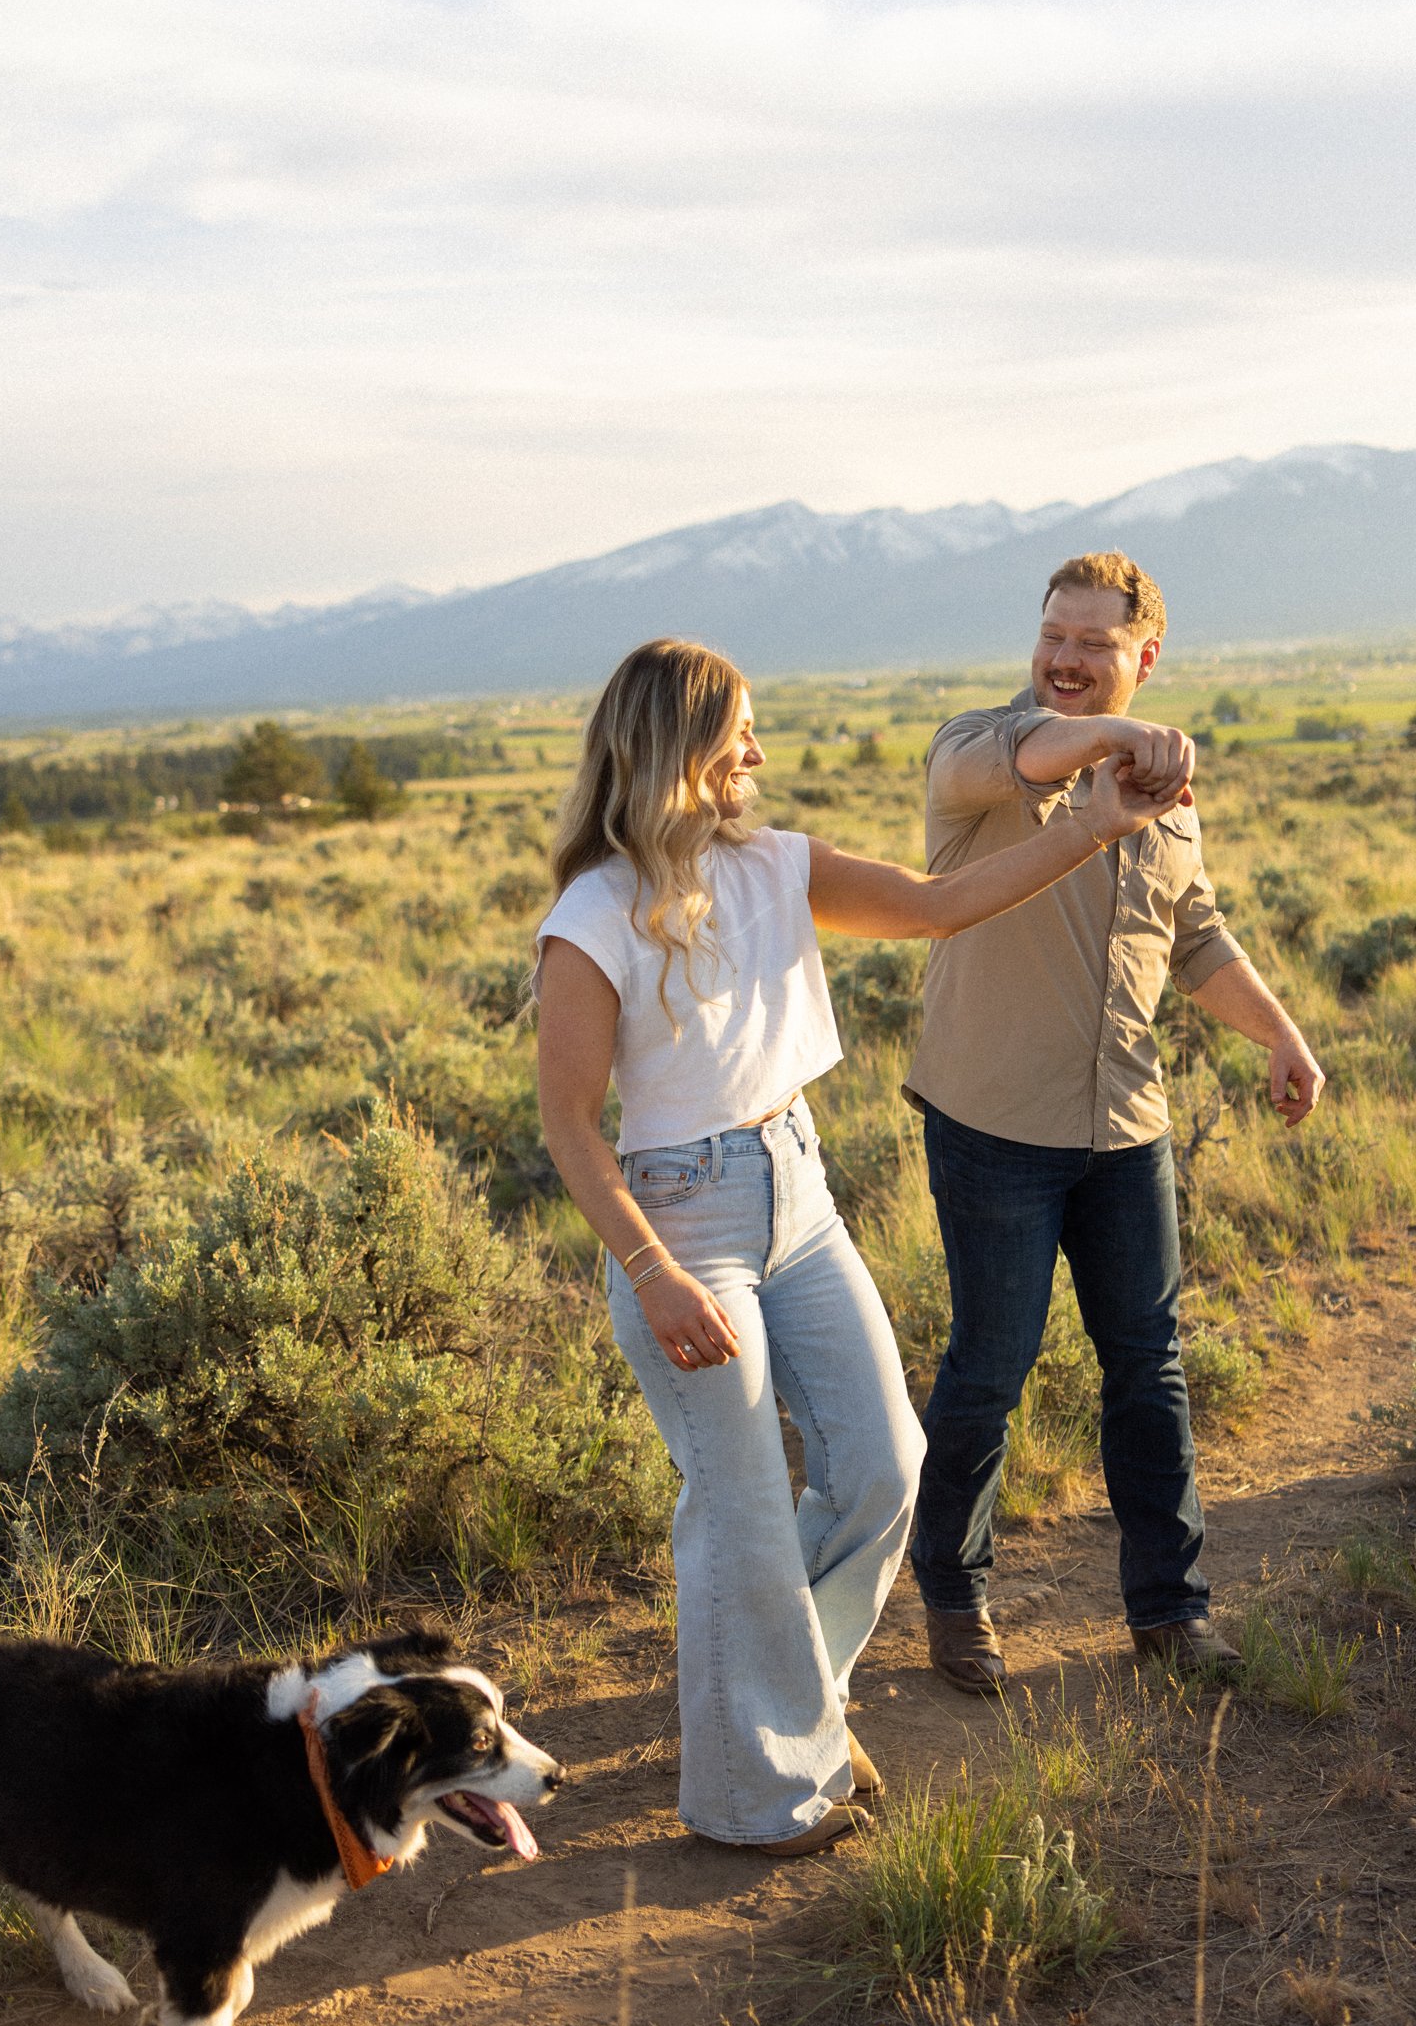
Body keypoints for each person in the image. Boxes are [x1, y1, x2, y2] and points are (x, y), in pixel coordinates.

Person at [534, 637, 1191, 1857]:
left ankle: (793, 1709)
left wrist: (1094, 826)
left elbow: (942, 905)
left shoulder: (778, 865)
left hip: (799, 1192)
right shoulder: (593, 914)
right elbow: (567, 1124)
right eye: (739, 730)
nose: (758, 751)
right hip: (683, 1220)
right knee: (740, 1510)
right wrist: (653, 1272)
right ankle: (754, 1802)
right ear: (682, 747)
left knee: (886, 1464)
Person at [906, 551, 1327, 1694]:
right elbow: (1042, 748)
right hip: (994, 1122)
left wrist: (1280, 1032)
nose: (1066, 658)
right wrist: (1123, 739)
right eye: (1054, 634)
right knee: (991, 1368)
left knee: (1150, 1366)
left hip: (1127, 1125)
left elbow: (1193, 937)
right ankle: (953, 1591)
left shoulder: (1167, 798)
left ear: (1146, 654)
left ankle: (1170, 1612)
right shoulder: (978, 754)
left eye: (1095, 644)